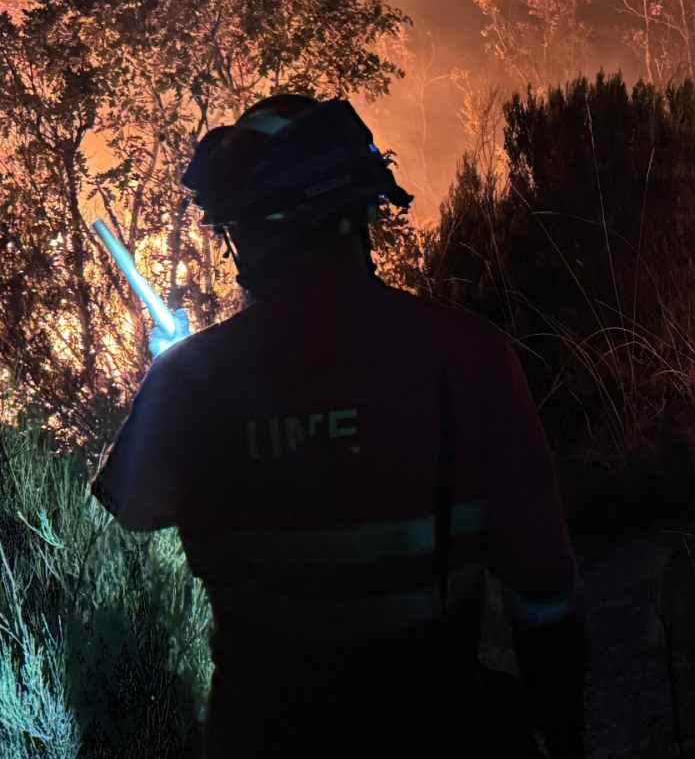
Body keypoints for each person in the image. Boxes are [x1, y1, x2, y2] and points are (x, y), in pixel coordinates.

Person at [90, 94, 587, 758]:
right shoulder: (468, 356)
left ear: (248, 234)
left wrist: (165, 382)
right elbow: (542, 584)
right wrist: (563, 739)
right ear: (360, 209)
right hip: (439, 731)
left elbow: (136, 506)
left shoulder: (191, 379)